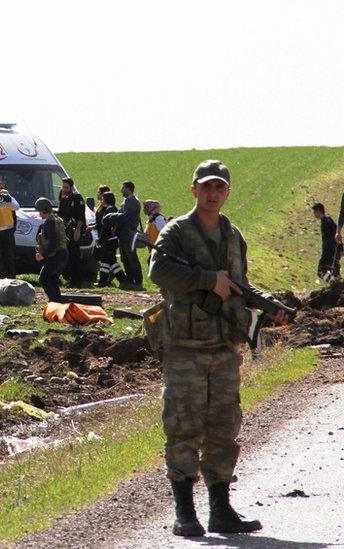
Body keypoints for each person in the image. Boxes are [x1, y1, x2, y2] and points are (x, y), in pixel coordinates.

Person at [150, 159, 288, 538]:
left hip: (225, 346)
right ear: (193, 190)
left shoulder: (233, 235)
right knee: (182, 425)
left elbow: (239, 283)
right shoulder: (176, 232)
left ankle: (221, 510)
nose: (213, 194)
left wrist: (268, 305)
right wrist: (207, 279)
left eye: (220, 188)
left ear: (227, 192)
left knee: (224, 427)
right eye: (206, 187)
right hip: (186, 346)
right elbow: (158, 272)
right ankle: (185, 512)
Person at [34, 197, 68, 302]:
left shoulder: (49, 222)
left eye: (39, 211)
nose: (39, 214)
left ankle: (54, 302)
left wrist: (42, 255)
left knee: (43, 279)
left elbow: (52, 243)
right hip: (63, 255)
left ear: (43, 210)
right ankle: (58, 302)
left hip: (56, 256)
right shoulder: (57, 219)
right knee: (52, 280)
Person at [58, 178, 87, 287]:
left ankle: (76, 280)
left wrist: (78, 230)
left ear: (71, 187)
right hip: (66, 230)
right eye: (63, 187)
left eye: (66, 187)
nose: (64, 189)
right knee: (68, 256)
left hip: (75, 229)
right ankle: (69, 278)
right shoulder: (63, 198)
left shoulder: (77, 198)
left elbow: (80, 216)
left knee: (75, 255)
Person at [94, 193, 127, 287]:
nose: (101, 200)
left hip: (109, 240)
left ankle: (103, 282)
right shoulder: (112, 208)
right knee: (111, 261)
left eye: (103, 199)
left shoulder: (109, 209)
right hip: (112, 239)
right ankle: (122, 279)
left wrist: (100, 240)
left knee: (105, 260)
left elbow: (106, 227)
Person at [118, 180, 143, 287]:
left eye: (123, 188)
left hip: (129, 233)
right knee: (124, 257)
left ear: (128, 188)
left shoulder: (133, 202)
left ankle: (137, 280)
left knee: (131, 257)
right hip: (123, 233)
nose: (121, 190)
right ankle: (130, 279)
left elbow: (124, 216)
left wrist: (113, 218)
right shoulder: (126, 201)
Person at [313, 203, 342, 280]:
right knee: (335, 273)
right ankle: (336, 284)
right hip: (333, 251)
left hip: (330, 252)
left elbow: (335, 235)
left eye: (315, 212)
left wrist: (340, 248)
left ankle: (334, 283)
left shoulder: (326, 222)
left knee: (321, 272)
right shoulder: (327, 221)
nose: (314, 214)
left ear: (319, 211)